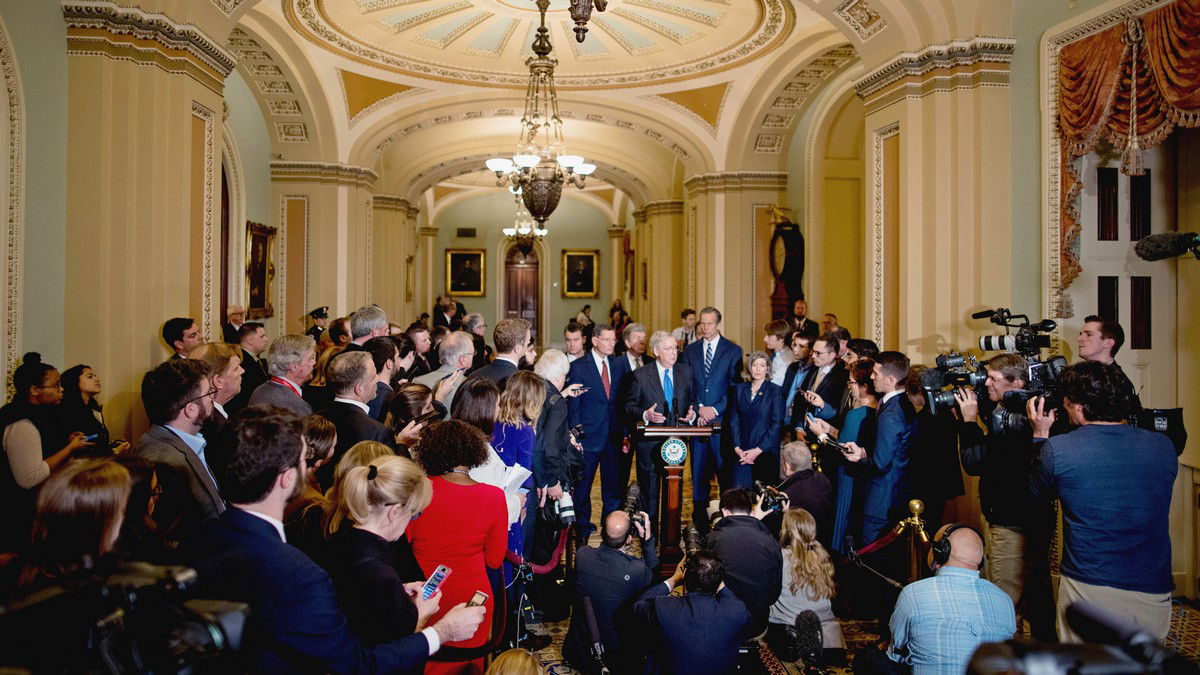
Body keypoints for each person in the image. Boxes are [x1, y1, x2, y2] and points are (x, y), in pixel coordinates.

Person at [188, 406, 485, 673]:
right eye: (303, 460)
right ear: (286, 479)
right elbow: (355, 665)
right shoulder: (300, 575)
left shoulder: (202, 537)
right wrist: (441, 632)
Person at [1028, 361, 1176, 642]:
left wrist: (1039, 436)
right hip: (1152, 585)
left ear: (1079, 407)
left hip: (1090, 583)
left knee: (1085, 665)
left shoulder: (1058, 449)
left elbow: (1035, 495)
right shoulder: (1163, 446)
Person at [954, 353, 1055, 641]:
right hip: (1029, 517)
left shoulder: (1014, 423)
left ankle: (1008, 663)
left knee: (1004, 601)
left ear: (1018, 384)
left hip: (1011, 522)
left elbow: (974, 463)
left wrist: (969, 421)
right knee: (1036, 592)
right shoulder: (1026, 412)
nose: (985, 383)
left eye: (993, 379)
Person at [407, 420, 508, 673]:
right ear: (475, 452)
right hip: (472, 597)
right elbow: (495, 559)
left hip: (423, 595)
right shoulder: (494, 497)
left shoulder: (418, 491)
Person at [326, 455, 438, 646]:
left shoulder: (338, 540)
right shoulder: (379, 575)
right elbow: (391, 656)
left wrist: (397, 594)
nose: (411, 520)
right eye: (413, 514)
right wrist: (420, 616)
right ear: (394, 512)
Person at [883, 524, 1015, 672]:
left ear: (941, 552)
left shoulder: (912, 593)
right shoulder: (1005, 599)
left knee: (867, 657)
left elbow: (896, 654)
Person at [9, 458, 131, 596]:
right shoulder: (83, 595)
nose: (123, 517)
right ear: (95, 525)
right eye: (121, 511)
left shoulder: (35, 569)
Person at [134, 358, 225, 538]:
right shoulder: (162, 462)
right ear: (190, 410)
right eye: (209, 393)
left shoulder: (188, 441)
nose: (213, 398)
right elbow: (167, 540)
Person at [564, 509, 659, 673]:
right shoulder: (637, 570)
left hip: (579, 651)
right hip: (617, 657)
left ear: (600, 532)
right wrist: (647, 540)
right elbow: (655, 581)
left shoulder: (582, 555)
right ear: (629, 539)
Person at [633, 550, 754, 675]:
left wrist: (674, 579)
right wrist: (717, 579)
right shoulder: (737, 611)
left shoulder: (664, 608)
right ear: (719, 582)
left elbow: (638, 605)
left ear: (684, 575)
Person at [841, 351, 915, 545]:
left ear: (890, 380)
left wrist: (858, 458)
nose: (872, 377)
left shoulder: (891, 413)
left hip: (882, 499)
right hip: (893, 494)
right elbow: (890, 449)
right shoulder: (902, 402)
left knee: (873, 557)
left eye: (876, 374)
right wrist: (863, 451)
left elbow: (880, 464)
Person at [566, 323, 631, 538]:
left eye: (614, 340)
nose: (612, 344)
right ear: (594, 341)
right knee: (582, 489)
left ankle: (610, 530)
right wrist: (576, 435)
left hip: (612, 438)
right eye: (607, 340)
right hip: (588, 438)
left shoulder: (620, 365)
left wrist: (624, 433)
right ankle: (582, 529)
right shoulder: (578, 367)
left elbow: (622, 402)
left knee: (613, 489)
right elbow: (574, 406)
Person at [624, 331, 696, 521]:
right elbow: (629, 407)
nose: (674, 353)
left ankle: (669, 541)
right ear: (656, 351)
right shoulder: (639, 376)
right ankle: (650, 537)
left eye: (675, 348)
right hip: (649, 445)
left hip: (676, 443)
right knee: (649, 494)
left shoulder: (686, 372)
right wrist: (645, 414)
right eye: (668, 348)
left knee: (674, 492)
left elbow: (693, 401)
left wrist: (692, 413)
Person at [807, 358, 877, 553]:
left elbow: (842, 449)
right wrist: (829, 427)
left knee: (844, 519)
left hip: (848, 474)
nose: (850, 387)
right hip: (864, 474)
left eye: (852, 383)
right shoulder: (877, 411)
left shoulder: (856, 414)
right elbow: (848, 436)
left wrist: (820, 434)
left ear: (864, 386)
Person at [681, 307, 742, 525]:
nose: (705, 327)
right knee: (698, 475)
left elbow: (734, 389)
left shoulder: (733, 351)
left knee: (724, 473)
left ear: (718, 324)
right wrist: (698, 408)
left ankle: (726, 519)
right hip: (697, 423)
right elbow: (686, 385)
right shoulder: (690, 351)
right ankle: (699, 520)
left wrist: (714, 409)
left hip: (721, 423)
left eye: (709, 323)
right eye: (702, 323)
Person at [769, 509, 845, 658]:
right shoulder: (821, 555)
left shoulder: (779, 557)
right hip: (825, 627)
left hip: (791, 628)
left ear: (785, 531)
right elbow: (803, 544)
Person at [316, 351, 397, 490]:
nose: (378, 378)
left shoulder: (314, 419)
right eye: (373, 376)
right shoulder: (377, 432)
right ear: (359, 389)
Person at [705, 488, 783, 631]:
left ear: (724, 512)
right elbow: (774, 593)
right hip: (757, 621)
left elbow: (704, 585)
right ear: (750, 511)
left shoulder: (713, 540)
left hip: (721, 620)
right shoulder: (771, 543)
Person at [492, 370, 545, 561]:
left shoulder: (492, 419)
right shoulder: (524, 430)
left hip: (488, 492)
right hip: (511, 498)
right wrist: (521, 508)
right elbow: (524, 472)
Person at [187, 342, 245, 476]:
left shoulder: (206, 415)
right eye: (236, 368)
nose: (243, 371)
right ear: (218, 380)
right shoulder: (213, 426)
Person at [728, 350, 784, 488]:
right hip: (742, 453)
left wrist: (757, 450)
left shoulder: (775, 391)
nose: (758, 369)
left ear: (768, 369)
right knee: (741, 496)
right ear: (750, 367)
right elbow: (734, 420)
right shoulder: (739, 389)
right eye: (754, 365)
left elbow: (776, 424)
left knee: (763, 497)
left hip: (765, 452)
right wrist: (737, 448)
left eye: (762, 365)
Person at [769, 442, 832, 545]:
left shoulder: (787, 496)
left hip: (798, 550)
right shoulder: (823, 479)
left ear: (787, 466)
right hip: (822, 544)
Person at [59, 363, 129, 454]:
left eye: (95, 376)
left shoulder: (94, 409)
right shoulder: (69, 411)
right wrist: (115, 451)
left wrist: (113, 445)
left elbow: (96, 439)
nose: (96, 379)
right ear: (74, 381)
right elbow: (84, 447)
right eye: (90, 377)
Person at [248, 334, 316, 416]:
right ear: (294, 366)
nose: (314, 363)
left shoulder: (259, 390)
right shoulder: (295, 406)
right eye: (310, 358)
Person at [413, 330, 475, 414]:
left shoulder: (417, 381)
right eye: (473, 353)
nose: (474, 356)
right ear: (463, 359)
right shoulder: (471, 387)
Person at [469, 318, 530, 389]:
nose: (527, 347)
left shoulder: (473, 376)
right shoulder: (521, 384)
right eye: (527, 343)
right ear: (518, 348)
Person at [227, 321, 269, 414]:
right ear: (250, 340)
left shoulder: (254, 359)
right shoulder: (242, 361)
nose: (266, 339)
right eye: (262, 336)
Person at [363, 335, 405, 422]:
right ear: (389, 363)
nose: (399, 362)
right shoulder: (389, 398)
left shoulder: (362, 391)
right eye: (397, 357)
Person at [762, 319, 794, 386]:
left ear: (781, 338)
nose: (765, 339)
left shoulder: (786, 360)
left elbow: (774, 384)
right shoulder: (775, 354)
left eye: (769, 336)